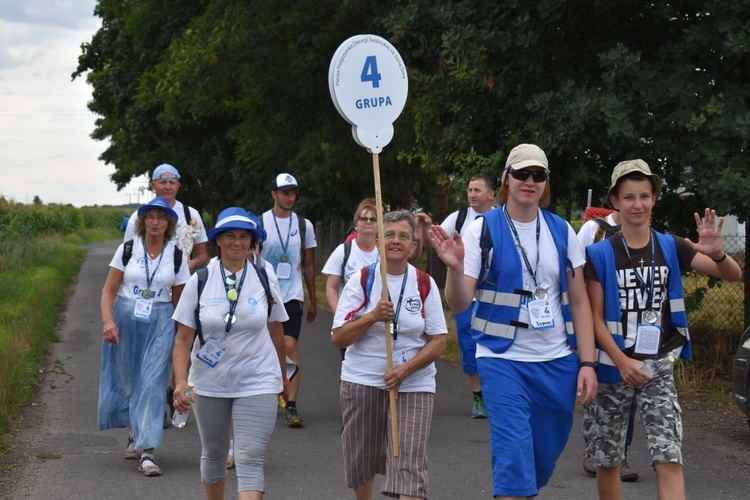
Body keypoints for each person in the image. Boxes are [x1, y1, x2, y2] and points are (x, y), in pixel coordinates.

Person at [429, 143, 598, 498]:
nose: (530, 181)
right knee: (512, 460)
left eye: (539, 175)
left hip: (557, 363)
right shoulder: (481, 230)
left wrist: (587, 362)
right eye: (522, 173)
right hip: (501, 360)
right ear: (507, 180)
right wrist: (455, 270)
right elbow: (459, 302)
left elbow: (580, 301)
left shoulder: (562, 230)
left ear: (546, 183)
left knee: (540, 459)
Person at [583, 159, 742, 500]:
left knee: (668, 456)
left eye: (644, 196)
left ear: (654, 199)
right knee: (608, 460)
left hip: (659, 366)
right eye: (629, 197)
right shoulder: (599, 254)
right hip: (615, 368)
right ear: (615, 202)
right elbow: (593, 318)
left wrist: (717, 255)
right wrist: (622, 362)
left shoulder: (673, 246)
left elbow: (733, 276)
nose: (637, 204)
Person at [172, 207, 289, 499]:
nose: (237, 242)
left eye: (243, 236)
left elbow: (276, 329)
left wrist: (282, 375)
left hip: (258, 379)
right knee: (214, 453)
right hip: (210, 381)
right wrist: (180, 382)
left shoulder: (264, 275)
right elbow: (183, 339)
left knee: (249, 457)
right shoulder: (199, 279)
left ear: (252, 242)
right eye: (230, 236)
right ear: (218, 240)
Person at [332, 210, 447, 500]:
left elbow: (439, 341)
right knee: (363, 457)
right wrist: (371, 316)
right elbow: (338, 337)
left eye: (404, 236)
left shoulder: (425, 283)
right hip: (363, 380)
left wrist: (405, 370)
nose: (396, 241)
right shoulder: (361, 281)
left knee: (409, 459)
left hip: (414, 383)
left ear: (413, 245)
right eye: (390, 235)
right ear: (379, 241)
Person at [98, 196, 190, 477]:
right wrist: (108, 321)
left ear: (169, 225)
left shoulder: (176, 256)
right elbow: (108, 291)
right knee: (128, 381)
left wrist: (184, 337)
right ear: (142, 222)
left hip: (161, 321)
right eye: (150, 217)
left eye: (161, 218)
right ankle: (134, 434)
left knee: (151, 383)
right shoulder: (127, 250)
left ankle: (148, 452)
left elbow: (180, 301)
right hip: (125, 319)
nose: (155, 223)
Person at [421, 173, 496, 419]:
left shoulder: (502, 219)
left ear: (491, 194)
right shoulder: (459, 217)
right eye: (469, 190)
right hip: (467, 296)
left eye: (477, 190)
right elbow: (435, 241)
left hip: (497, 297)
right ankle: (478, 397)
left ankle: (498, 394)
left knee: (496, 346)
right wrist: (425, 227)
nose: (472, 194)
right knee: (469, 344)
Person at [578, 210, 639, 482]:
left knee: (630, 396)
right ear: (615, 198)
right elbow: (575, 273)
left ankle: (620, 454)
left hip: (632, 327)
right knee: (599, 391)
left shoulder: (642, 228)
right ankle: (594, 450)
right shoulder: (593, 229)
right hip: (596, 319)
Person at [260, 173, 317, 428]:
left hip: (292, 294)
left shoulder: (304, 225)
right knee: (269, 347)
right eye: (284, 192)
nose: (290, 197)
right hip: (265, 295)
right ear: (273, 194)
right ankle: (272, 394)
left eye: (293, 193)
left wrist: (313, 298)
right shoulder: (261, 222)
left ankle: (291, 404)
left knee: (289, 344)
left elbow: (308, 264)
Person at [124, 163, 208, 273]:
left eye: (172, 182)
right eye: (163, 182)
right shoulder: (138, 217)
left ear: (178, 186)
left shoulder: (191, 215)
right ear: (153, 186)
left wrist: (194, 263)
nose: (168, 187)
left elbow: (202, 254)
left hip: (182, 282)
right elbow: (126, 254)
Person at [323, 199, 380, 359]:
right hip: (352, 323)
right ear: (356, 224)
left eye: (373, 219)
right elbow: (331, 287)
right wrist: (340, 315)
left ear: (379, 225)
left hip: (378, 323)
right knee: (351, 366)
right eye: (364, 219)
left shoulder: (384, 253)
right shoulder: (344, 251)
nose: (368, 222)